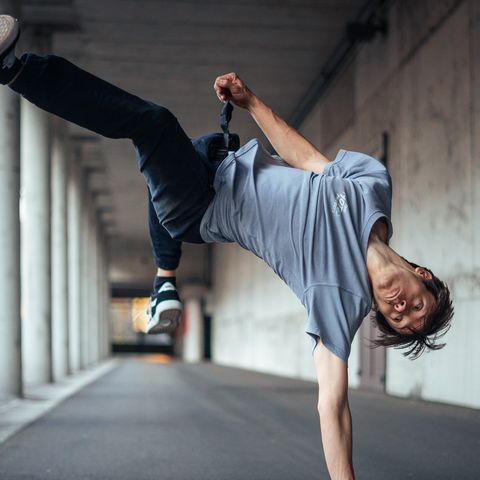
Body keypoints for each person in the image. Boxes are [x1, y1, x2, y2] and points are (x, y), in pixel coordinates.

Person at [0, 15, 453, 479]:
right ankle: (164, 281)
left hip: (200, 205)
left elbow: (332, 405)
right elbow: (307, 157)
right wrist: (252, 102)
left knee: (152, 124)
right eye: (416, 306)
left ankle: (14, 69)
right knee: (160, 162)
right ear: (425, 277)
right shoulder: (374, 186)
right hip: (218, 158)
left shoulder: (340, 298)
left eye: (398, 320)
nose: (401, 310)